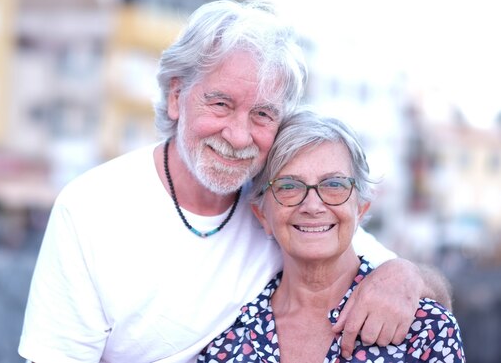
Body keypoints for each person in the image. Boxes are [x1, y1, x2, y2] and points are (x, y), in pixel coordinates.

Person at [18, 0, 452, 363]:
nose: (239, 135)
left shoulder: (283, 206)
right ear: (175, 96)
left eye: (262, 114)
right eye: (221, 104)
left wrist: (402, 275)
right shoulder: (91, 209)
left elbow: (420, 288)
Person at [198, 108, 465, 363]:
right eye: (289, 186)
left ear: (361, 208)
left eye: (334, 184)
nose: (312, 206)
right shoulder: (224, 337)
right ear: (262, 214)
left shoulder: (424, 328)